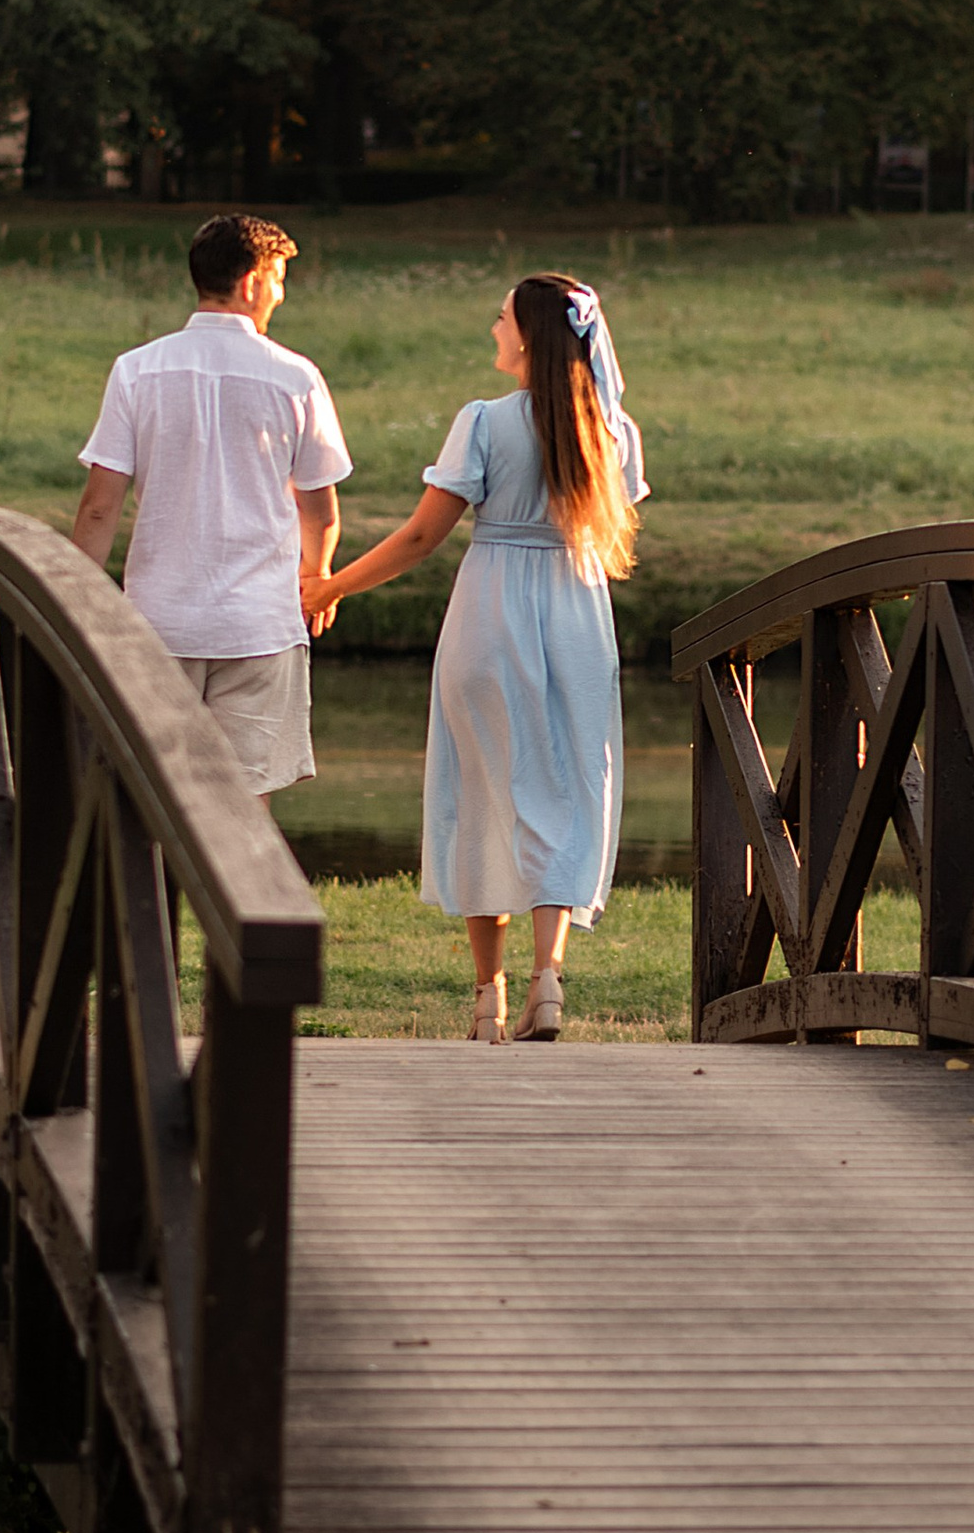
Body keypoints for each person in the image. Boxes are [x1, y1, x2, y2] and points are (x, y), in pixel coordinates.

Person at [309, 273, 643, 1042]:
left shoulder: (485, 422)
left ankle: (488, 996)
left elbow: (423, 536)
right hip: (577, 612)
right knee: (564, 787)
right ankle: (548, 979)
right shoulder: (615, 432)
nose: (492, 330)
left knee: (483, 785)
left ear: (526, 335)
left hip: (491, 607)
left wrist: (333, 586)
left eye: (499, 320)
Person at [70, 212, 350, 802]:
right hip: (258, 626)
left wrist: (74, 603)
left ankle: (157, 899)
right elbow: (319, 511)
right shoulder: (295, 376)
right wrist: (314, 575)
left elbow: (100, 509)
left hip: (156, 623)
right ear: (251, 282)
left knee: (151, 801)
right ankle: (237, 900)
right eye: (277, 278)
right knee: (243, 811)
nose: (281, 293)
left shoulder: (137, 370)